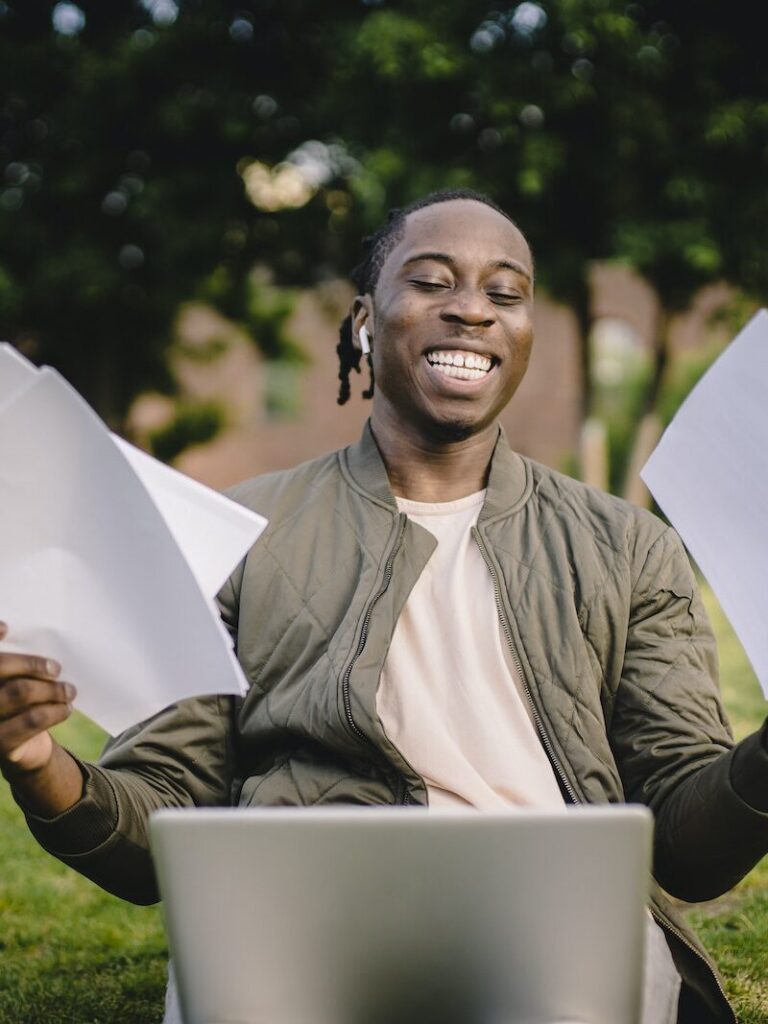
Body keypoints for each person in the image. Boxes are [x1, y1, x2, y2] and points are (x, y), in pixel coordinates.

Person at [1, 189, 767, 1024]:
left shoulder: (629, 549)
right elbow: (159, 821)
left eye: (505, 294)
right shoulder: (235, 537)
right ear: (366, 320)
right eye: (434, 281)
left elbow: (690, 847)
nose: (472, 309)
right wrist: (41, 762)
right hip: (297, 926)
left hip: (555, 941)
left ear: (525, 335)